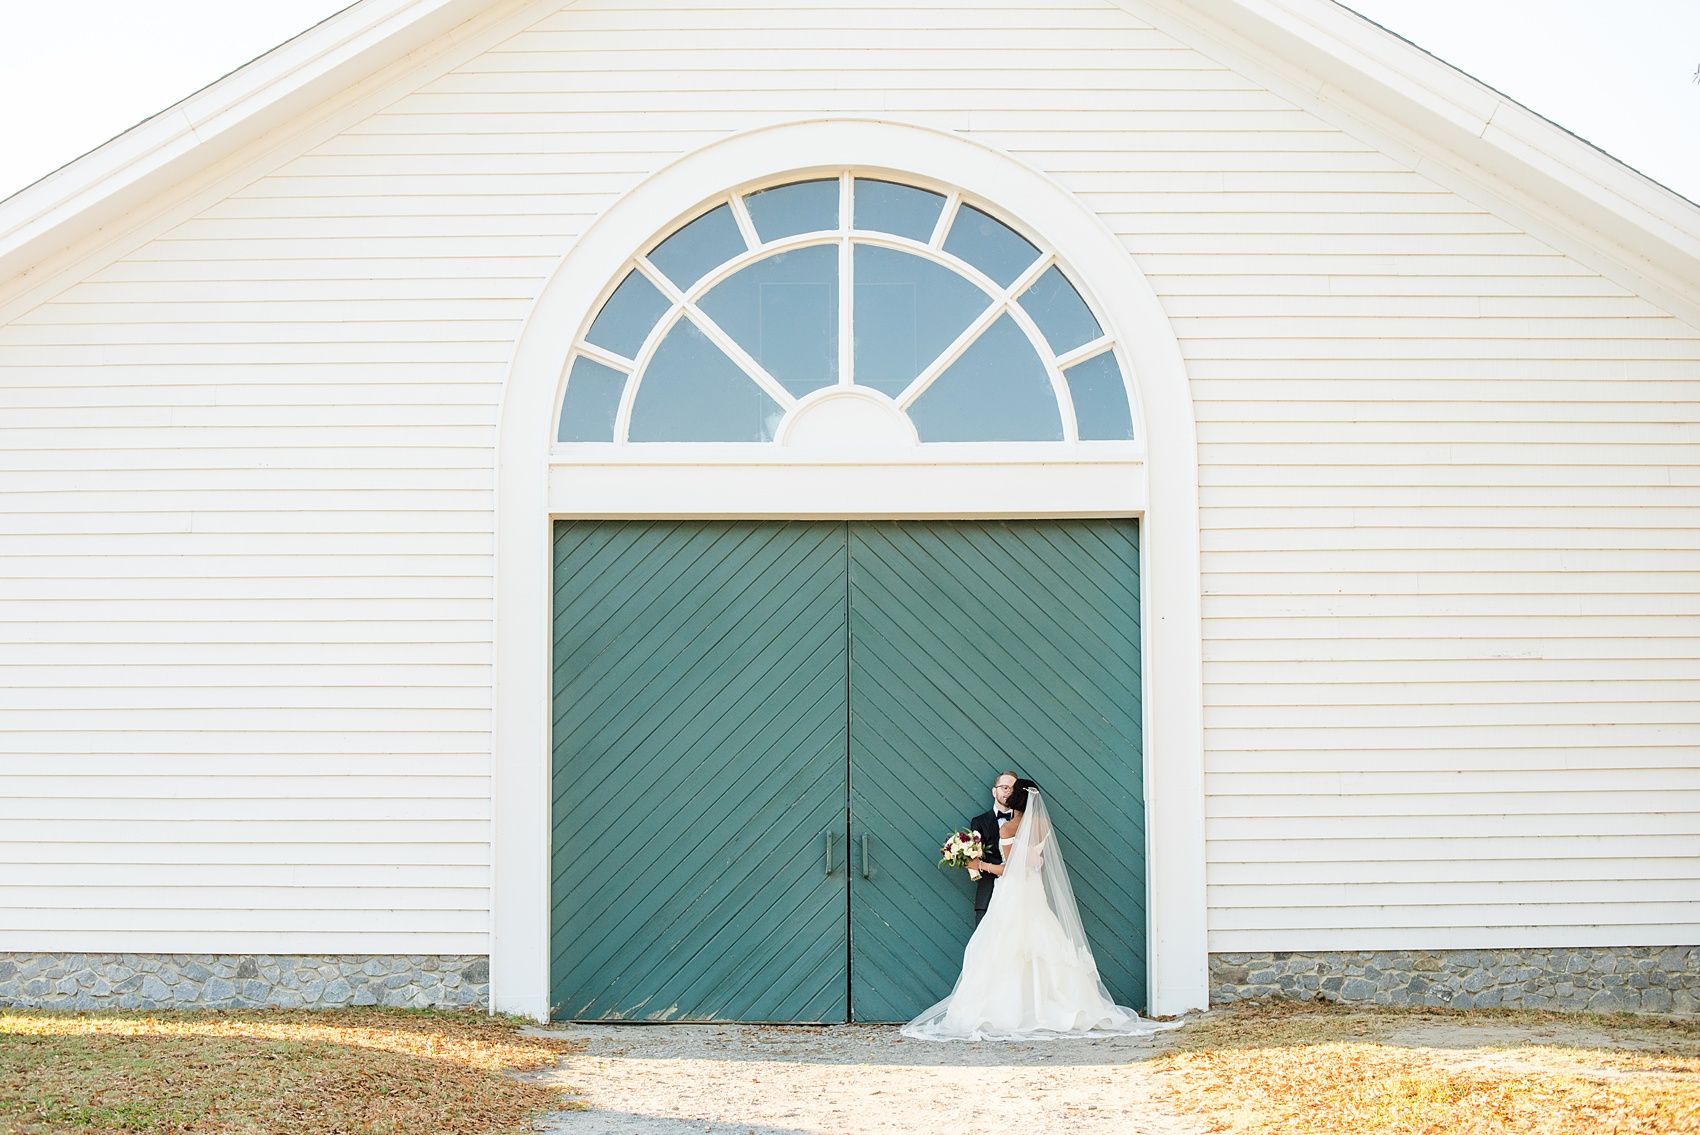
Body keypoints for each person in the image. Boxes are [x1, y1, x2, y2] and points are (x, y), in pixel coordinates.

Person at [903, 780, 1170, 1041]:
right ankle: (1055, 1003)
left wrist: (980, 865)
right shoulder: (1043, 825)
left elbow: (1010, 868)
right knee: (1041, 938)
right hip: (1034, 890)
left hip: (1013, 891)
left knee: (1003, 945)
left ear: (1014, 800)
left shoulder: (1008, 828)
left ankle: (1009, 1009)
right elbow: (1036, 861)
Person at [965, 771, 1019, 925]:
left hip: (1019, 893)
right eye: (1005, 788)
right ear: (994, 791)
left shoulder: (1025, 823)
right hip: (988, 893)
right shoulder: (979, 822)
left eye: (1013, 789)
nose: (1009, 793)